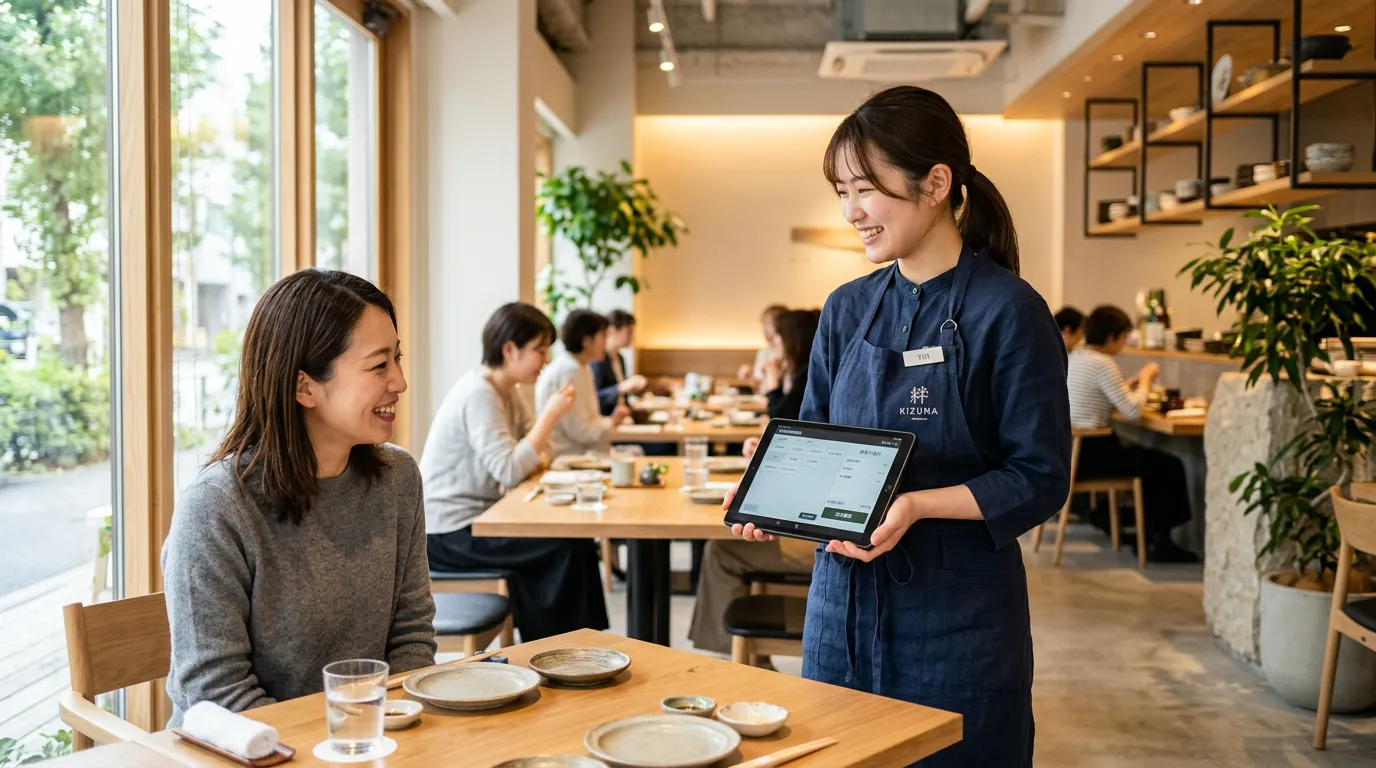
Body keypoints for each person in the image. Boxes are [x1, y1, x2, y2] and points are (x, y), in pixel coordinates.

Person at [726, 85, 1071, 767]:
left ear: (936, 183)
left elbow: (1038, 477)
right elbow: (818, 432)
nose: (851, 212)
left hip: (959, 618)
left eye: (864, 190)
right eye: (841, 192)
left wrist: (915, 505)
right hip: (841, 609)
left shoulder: (1010, 311)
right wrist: (777, 483)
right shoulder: (847, 308)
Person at [162, 270, 436, 725]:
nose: (400, 382)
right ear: (303, 386)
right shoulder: (216, 507)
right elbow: (216, 693)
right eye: (378, 365)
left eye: (398, 359)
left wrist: (391, 735)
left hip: (367, 744)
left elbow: (411, 638)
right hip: (249, 752)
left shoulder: (397, 478)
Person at [421, 302, 610, 640]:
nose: (546, 360)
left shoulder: (507, 391)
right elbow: (511, 468)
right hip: (450, 533)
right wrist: (550, 416)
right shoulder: (479, 393)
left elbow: (541, 452)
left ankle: (585, 640)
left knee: (577, 542)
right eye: (540, 350)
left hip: (481, 519)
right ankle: (559, 647)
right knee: (562, 548)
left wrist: (531, 447)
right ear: (510, 350)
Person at [1067, 305, 1196, 563]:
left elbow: (1110, 397)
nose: (1123, 344)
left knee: (1152, 461)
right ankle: (1157, 541)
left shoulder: (1077, 357)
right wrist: (1147, 380)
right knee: (1168, 466)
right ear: (1113, 337)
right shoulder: (1104, 363)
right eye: (1124, 337)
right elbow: (1133, 410)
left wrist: (1134, 382)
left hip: (1073, 454)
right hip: (1094, 456)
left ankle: (1142, 531)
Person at [536, 310, 632, 458]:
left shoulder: (580, 367)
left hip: (581, 453)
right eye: (603, 336)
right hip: (569, 457)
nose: (606, 342)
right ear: (587, 341)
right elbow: (582, 432)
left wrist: (610, 421)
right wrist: (611, 422)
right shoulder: (570, 370)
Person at [761, 308, 821, 420]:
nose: (774, 340)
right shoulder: (798, 370)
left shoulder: (807, 374)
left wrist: (772, 385)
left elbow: (780, 418)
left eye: (778, 334)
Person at [591, 309, 648, 416]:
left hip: (623, 417)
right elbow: (595, 397)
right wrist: (622, 387)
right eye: (629, 332)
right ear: (612, 330)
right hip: (607, 419)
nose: (632, 338)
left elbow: (623, 397)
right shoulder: (598, 360)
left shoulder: (620, 358)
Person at [737, 304, 788, 388]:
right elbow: (760, 387)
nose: (764, 329)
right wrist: (749, 377)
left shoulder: (790, 354)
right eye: (764, 324)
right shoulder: (764, 353)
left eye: (769, 324)